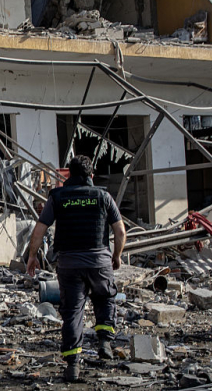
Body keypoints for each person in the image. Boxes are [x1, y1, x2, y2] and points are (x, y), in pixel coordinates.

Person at [27, 155, 126, 383]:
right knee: (105, 298)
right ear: (91, 176)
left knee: (72, 312)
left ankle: (72, 366)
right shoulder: (103, 196)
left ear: (68, 175)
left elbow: (40, 228)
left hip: (69, 264)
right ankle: (104, 341)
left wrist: (33, 256)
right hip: (99, 262)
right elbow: (120, 232)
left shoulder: (58, 197)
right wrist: (117, 256)